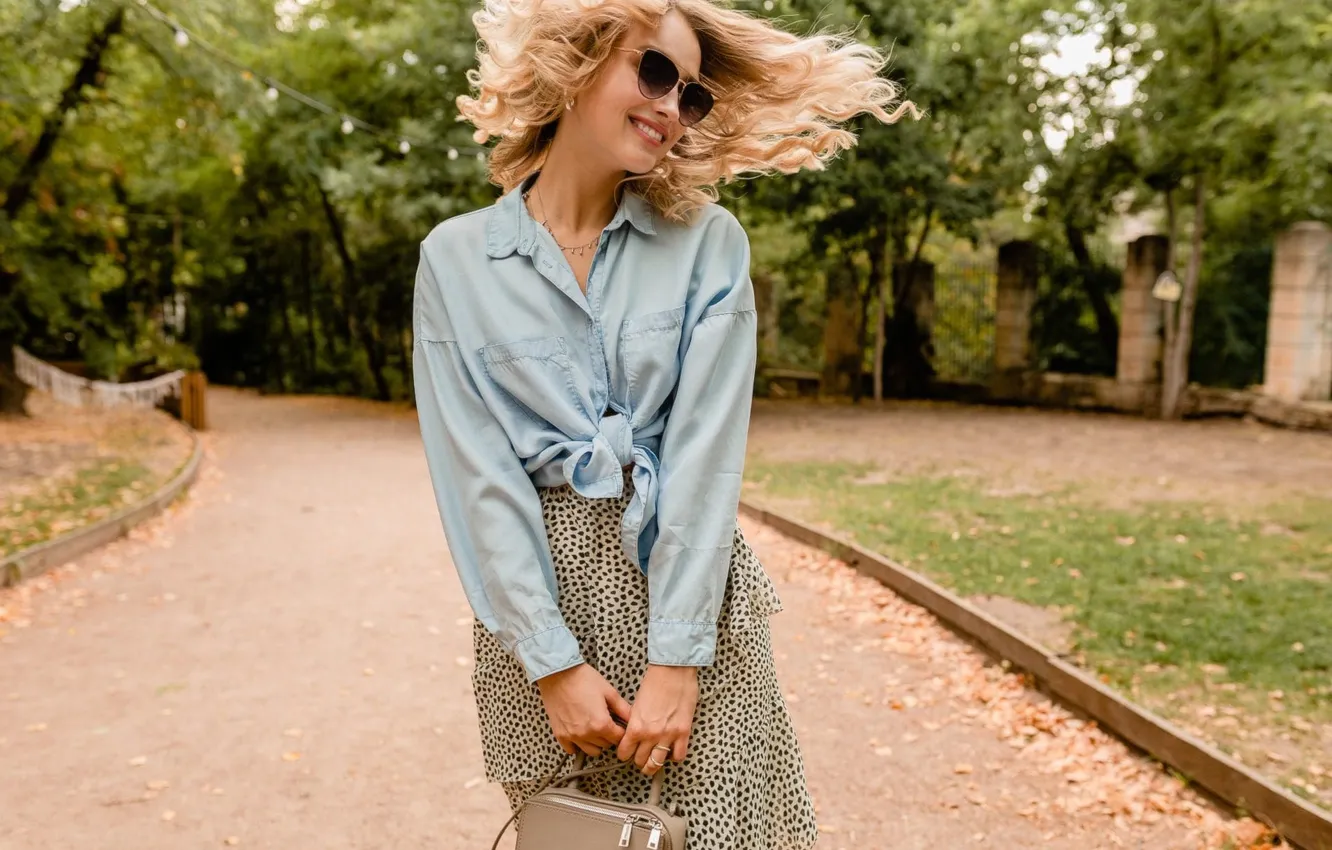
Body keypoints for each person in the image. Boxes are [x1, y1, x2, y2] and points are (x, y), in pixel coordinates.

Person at [412, 0, 912, 845]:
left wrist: (678, 660)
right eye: (654, 72)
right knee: (575, 841)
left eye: (692, 95)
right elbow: (477, 479)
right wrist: (553, 663)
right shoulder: (454, 260)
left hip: (685, 610)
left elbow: (705, 463)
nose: (672, 106)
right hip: (539, 628)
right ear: (575, 61)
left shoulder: (709, 244)